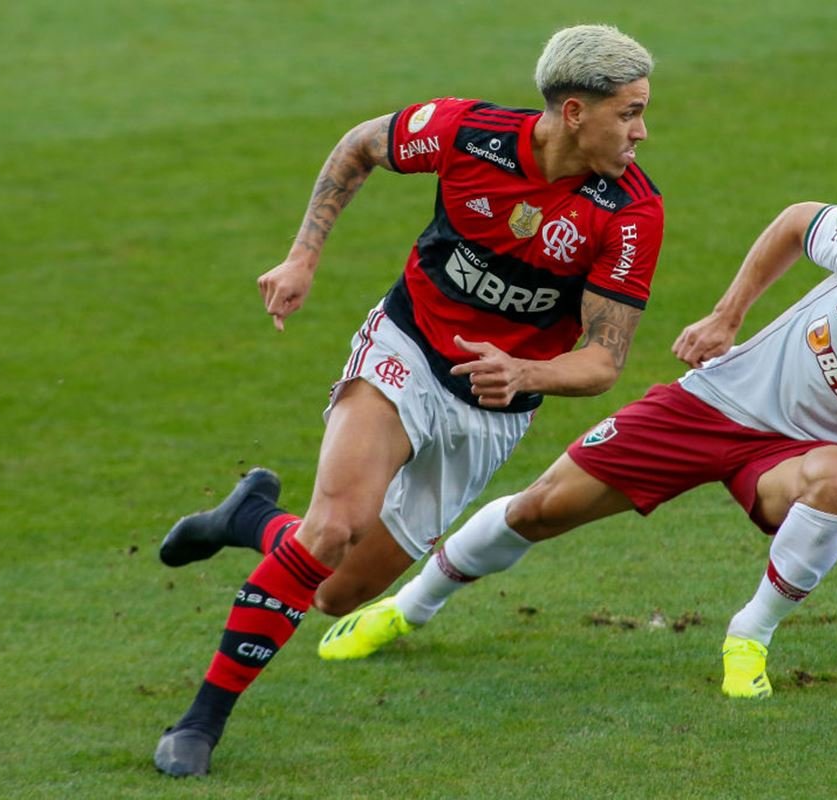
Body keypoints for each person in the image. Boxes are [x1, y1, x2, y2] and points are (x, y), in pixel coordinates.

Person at [153, 24, 663, 778]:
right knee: (331, 527)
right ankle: (200, 724)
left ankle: (251, 518)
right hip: (407, 350)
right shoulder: (466, 135)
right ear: (575, 111)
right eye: (630, 112)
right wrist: (302, 256)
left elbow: (602, 362)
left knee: (333, 593)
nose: (641, 132)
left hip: (490, 409)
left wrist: (527, 375)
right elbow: (359, 146)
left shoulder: (628, 212)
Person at [316, 201, 837, 700]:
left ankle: (750, 637)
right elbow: (797, 221)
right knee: (542, 510)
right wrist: (726, 315)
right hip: (713, 402)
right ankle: (406, 609)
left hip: (791, 461)